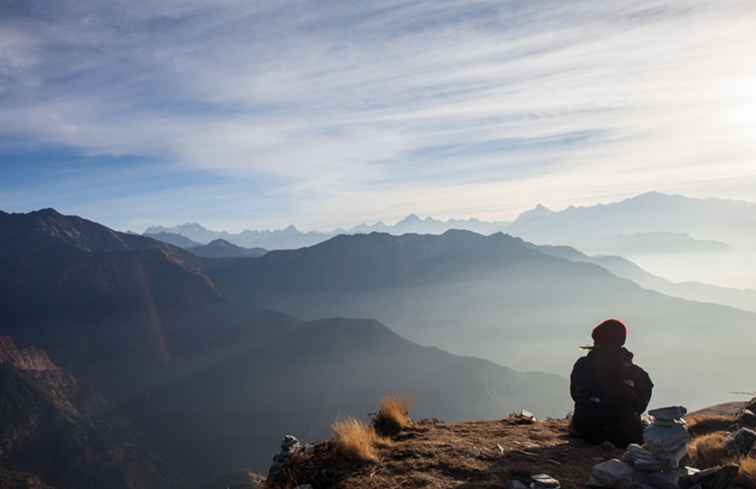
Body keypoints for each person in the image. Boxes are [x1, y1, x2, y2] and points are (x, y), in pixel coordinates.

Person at [570, 318, 653, 448]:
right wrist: (634, 410)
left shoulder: (583, 364)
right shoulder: (633, 371)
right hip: (624, 434)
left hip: (585, 430)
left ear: (597, 340)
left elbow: (575, 393)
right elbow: (647, 388)